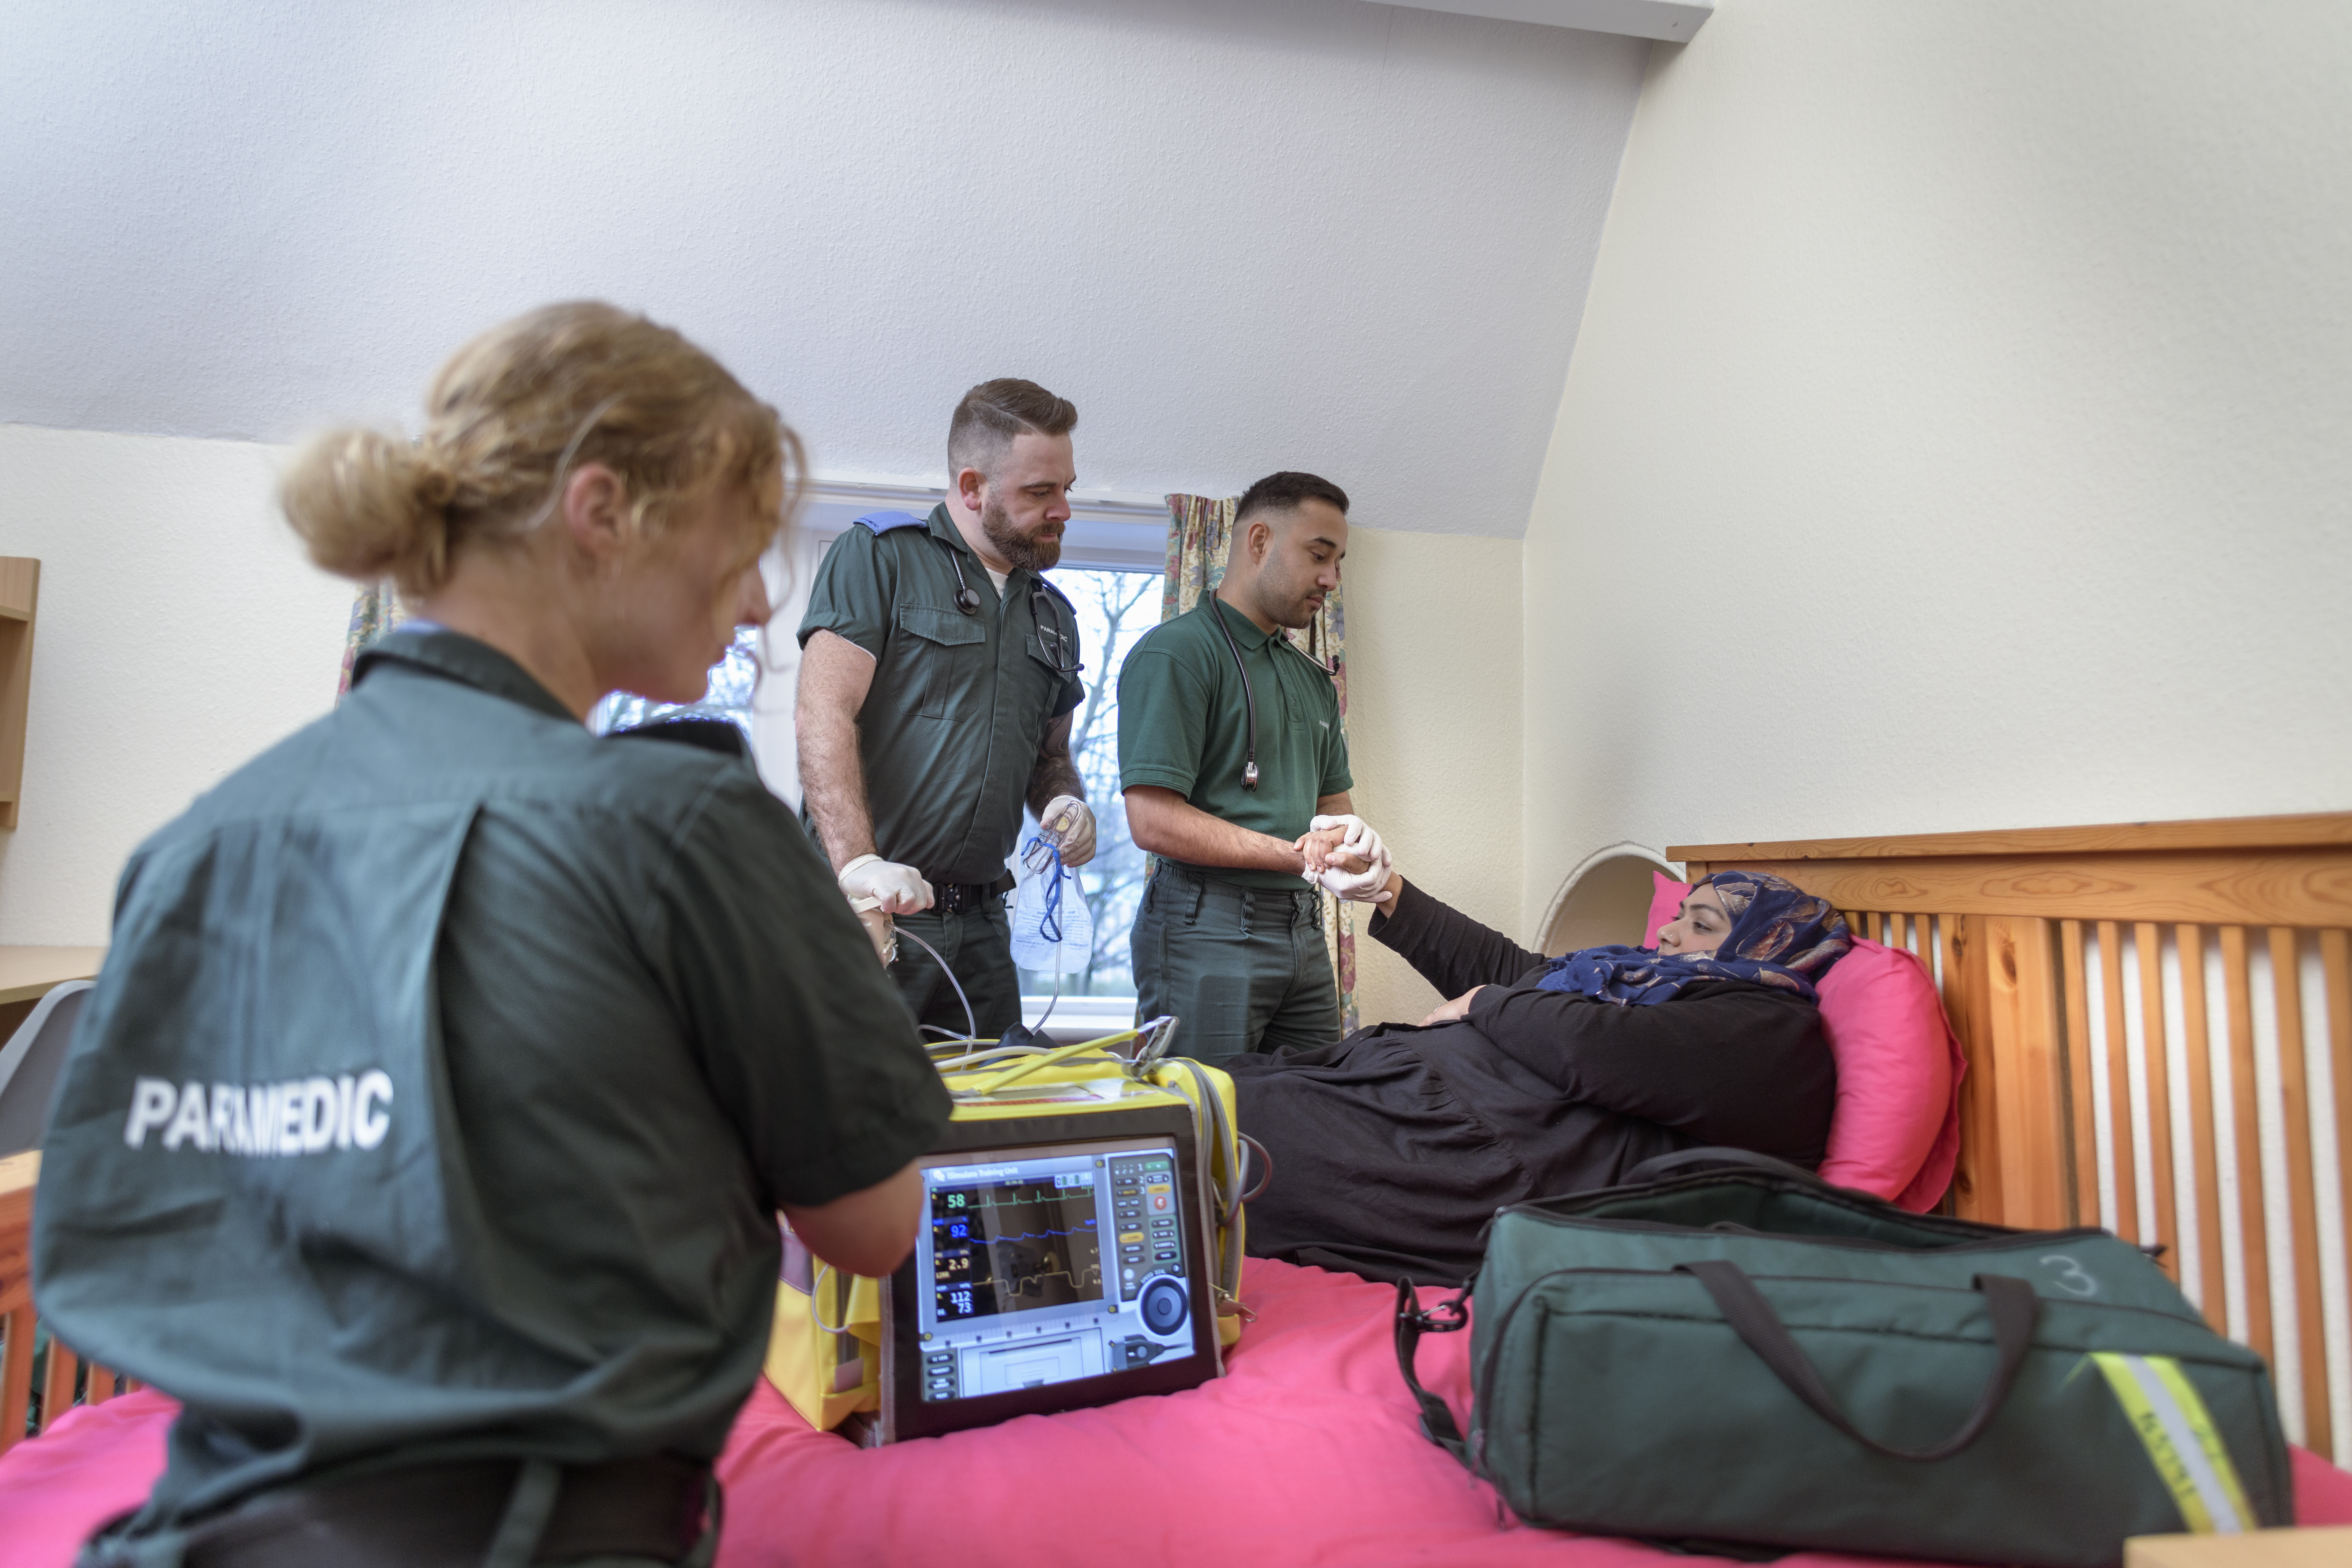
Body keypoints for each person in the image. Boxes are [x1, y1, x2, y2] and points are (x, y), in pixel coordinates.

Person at [31, 302, 952, 1567]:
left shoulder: (196, 843)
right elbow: (874, 1223)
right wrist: (816, 982)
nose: (752, 604)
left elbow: (141, 1245)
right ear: (602, 509)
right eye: (741, 549)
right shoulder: (680, 821)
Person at [1229, 864, 1848, 1284]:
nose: (1666, 930)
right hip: (1414, 1099)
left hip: (1465, 1160)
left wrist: (1479, 1003)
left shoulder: (1771, 1031)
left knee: (1217, 1130)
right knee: (1199, 1084)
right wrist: (1389, 888)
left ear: (1768, 946)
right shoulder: (1647, 978)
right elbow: (1523, 974)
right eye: (1681, 912)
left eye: (1701, 925)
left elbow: (1596, 1048)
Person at [796, 379, 1094, 1039]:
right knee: (850, 1128)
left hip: (984, 929)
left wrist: (1062, 803)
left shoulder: (1053, 616)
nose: (1063, 510)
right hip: (869, 916)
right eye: (1040, 493)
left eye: (1066, 488)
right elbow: (822, 717)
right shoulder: (878, 558)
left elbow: (1050, 755)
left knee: (990, 1131)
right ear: (971, 487)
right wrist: (856, 870)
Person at [1116, 472, 1386, 1063]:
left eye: (1338, 561)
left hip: (1301, 929)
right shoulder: (1177, 655)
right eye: (1319, 555)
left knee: (1316, 1113)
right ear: (1258, 541)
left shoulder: (1312, 678)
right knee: (1205, 1124)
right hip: (1204, 929)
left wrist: (1357, 852)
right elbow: (1153, 823)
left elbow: (1332, 813)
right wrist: (1298, 856)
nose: (1330, 579)